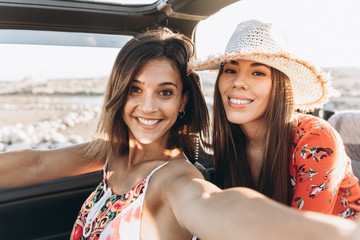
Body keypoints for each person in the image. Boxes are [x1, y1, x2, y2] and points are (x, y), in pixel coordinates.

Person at [1, 27, 360, 240]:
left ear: (184, 100)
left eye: (166, 92)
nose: (148, 107)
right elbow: (36, 163)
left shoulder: (175, 177)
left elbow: (214, 204)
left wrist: (346, 234)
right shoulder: (116, 149)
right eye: (135, 89)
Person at [192, 19, 360, 219]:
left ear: (280, 87)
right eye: (230, 70)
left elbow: (304, 232)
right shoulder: (228, 143)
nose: (238, 82)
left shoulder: (316, 138)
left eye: (258, 72)